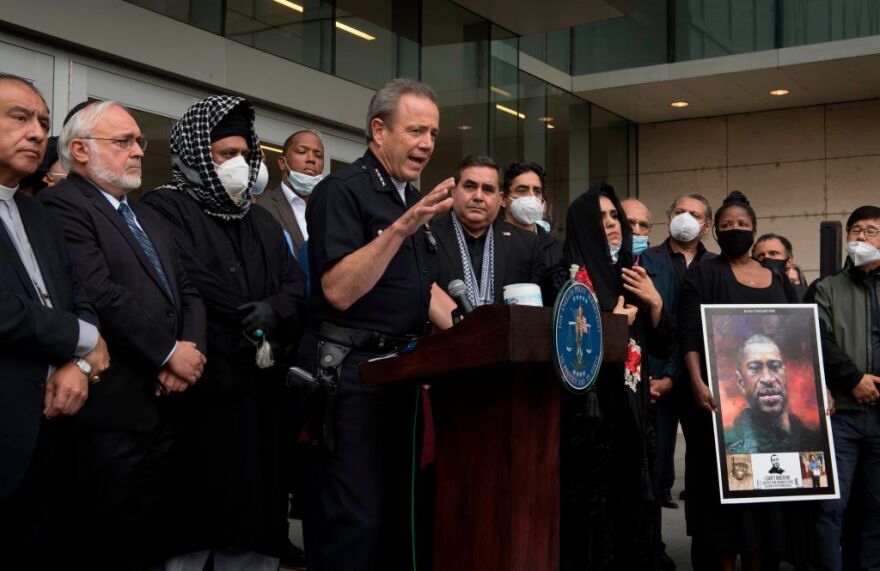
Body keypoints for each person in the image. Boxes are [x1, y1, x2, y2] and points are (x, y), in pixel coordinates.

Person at [40, 100, 207, 571]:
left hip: (164, 403)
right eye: (123, 141)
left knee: (145, 536)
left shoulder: (148, 215)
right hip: (109, 408)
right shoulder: (63, 203)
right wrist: (168, 353)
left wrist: (188, 355)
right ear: (80, 150)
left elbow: (188, 289)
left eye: (139, 141)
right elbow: (100, 292)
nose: (137, 151)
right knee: (98, 538)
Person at [142, 95, 306, 571]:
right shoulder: (164, 206)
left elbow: (294, 283)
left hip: (261, 395)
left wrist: (273, 310)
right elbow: (187, 276)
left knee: (255, 521)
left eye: (243, 153)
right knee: (193, 521)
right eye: (224, 154)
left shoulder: (259, 218)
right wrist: (244, 311)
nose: (240, 164)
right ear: (196, 156)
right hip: (202, 394)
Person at [298, 78, 456, 571]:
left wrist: (488, 334)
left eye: (432, 132)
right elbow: (339, 290)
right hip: (352, 383)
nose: (427, 143)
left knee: (396, 524)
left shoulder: (409, 199)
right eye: (415, 130)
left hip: (402, 383)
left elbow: (423, 293)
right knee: (355, 526)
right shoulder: (342, 192)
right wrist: (403, 227)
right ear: (379, 130)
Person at [0, 74, 109, 570]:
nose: (37, 132)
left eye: (43, 122)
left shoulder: (37, 211)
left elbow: (76, 294)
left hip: (56, 427)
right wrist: (87, 340)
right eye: (18, 117)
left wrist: (81, 366)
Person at [678, 191, 800, 571]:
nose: (735, 231)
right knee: (722, 512)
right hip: (719, 412)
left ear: (755, 230)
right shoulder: (703, 273)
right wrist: (697, 381)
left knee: (764, 508)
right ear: (715, 232)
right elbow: (689, 333)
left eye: (742, 225)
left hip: (771, 418)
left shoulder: (778, 277)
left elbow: (799, 336)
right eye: (727, 225)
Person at [559, 182, 671, 571]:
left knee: (633, 519)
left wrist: (655, 301)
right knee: (593, 521)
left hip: (633, 414)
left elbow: (659, 343)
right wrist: (612, 327)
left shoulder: (631, 273)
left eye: (614, 216)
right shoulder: (567, 275)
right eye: (601, 216)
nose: (611, 224)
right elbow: (567, 350)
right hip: (589, 421)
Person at [811, 204, 880, 571]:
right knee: (829, 506)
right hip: (841, 416)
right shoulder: (825, 288)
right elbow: (819, 340)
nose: (860, 237)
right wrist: (853, 379)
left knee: (876, 505)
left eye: (870, 231)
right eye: (855, 230)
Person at [621, 197, 680, 571]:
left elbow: (676, 328)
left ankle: (653, 551)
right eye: (631, 224)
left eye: (645, 226)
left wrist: (669, 379)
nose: (638, 233)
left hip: (657, 390)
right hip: (617, 392)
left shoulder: (661, 267)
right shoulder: (597, 265)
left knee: (654, 479)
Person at [432, 155, 545, 305]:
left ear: (500, 198)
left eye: (488, 189)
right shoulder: (427, 237)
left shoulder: (527, 245)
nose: (478, 196)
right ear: (453, 191)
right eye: (470, 186)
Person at [724, 334, 821, 454]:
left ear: (786, 374)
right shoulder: (729, 444)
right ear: (741, 382)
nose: (768, 379)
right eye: (755, 368)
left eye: (775, 367)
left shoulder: (815, 441)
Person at [255, 129, 324, 259]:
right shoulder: (261, 204)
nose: (311, 159)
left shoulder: (330, 208)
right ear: (282, 163)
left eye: (318, 155)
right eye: (302, 151)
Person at [501, 160, 562, 269]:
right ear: (503, 199)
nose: (532, 196)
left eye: (537, 191)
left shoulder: (556, 249)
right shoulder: (491, 244)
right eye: (522, 190)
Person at [752, 233, 806, 300]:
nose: (766, 258)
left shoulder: (803, 295)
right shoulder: (746, 292)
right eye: (760, 256)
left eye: (773, 253)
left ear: (789, 261)